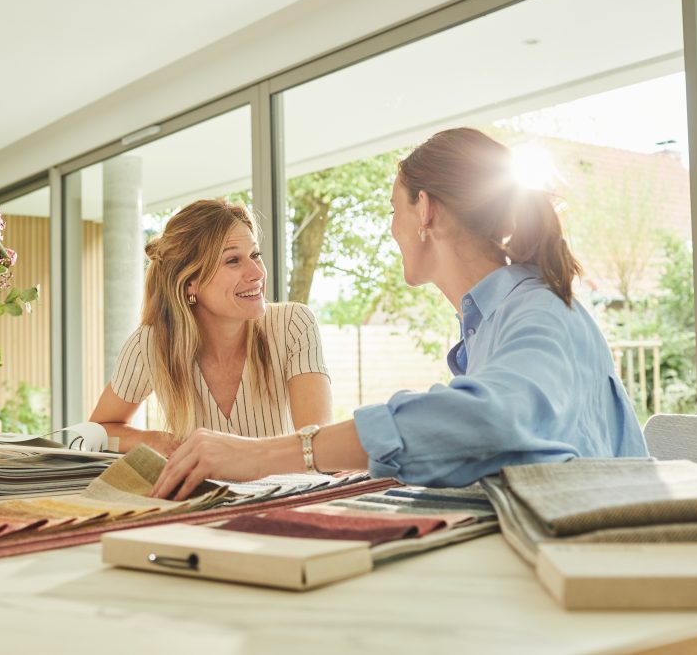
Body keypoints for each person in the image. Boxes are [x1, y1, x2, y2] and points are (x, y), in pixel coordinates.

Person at [153, 128, 649, 500]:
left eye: (395, 209)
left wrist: (261, 455)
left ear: (425, 210)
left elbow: (484, 419)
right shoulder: (493, 323)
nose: (392, 228)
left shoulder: (538, 313)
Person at [89, 199, 333, 455]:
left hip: (285, 493)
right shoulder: (151, 344)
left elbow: (316, 445)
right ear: (190, 282)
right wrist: (157, 442)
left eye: (255, 255)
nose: (257, 273)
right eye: (232, 261)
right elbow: (99, 430)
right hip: (198, 496)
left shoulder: (293, 324)